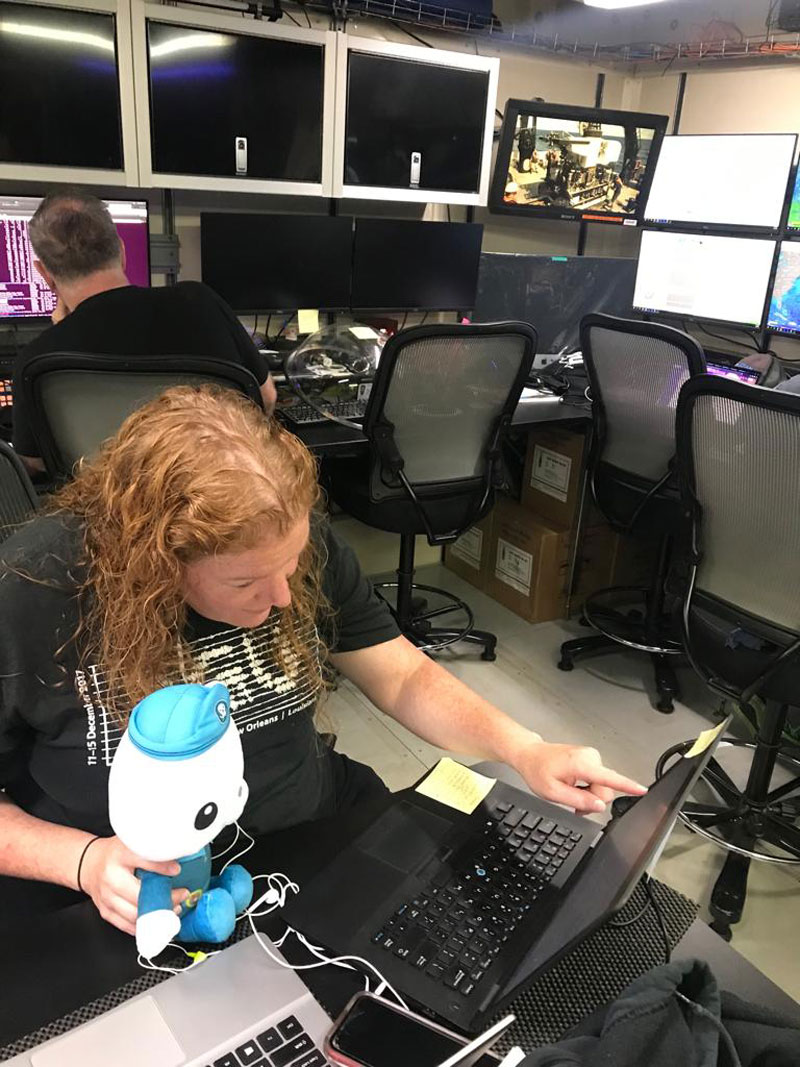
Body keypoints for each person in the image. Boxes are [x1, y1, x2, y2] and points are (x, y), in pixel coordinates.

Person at [0, 385, 646, 937]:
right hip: (129, 890)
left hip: (308, 837)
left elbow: (401, 672)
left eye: (290, 568)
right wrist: (82, 861)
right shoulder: (34, 589)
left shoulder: (282, 539)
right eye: (247, 583)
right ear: (157, 558)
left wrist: (525, 748)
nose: (283, 597)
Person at [11, 189, 277, 475]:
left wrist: (60, 334)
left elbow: (35, 462)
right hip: (218, 504)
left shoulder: (39, 360)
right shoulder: (200, 302)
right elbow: (267, 398)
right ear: (123, 252)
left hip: (114, 514)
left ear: (45, 275)